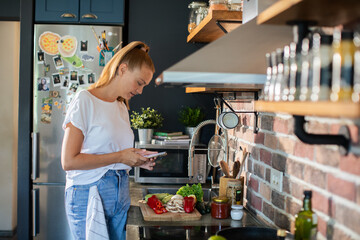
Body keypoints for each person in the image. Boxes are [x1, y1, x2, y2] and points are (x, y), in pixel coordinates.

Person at [61, 41, 157, 240]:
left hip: (119, 192)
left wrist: (137, 159)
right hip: (88, 193)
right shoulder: (85, 100)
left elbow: (115, 154)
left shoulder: (121, 106)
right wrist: (121, 156)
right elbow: (69, 161)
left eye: (144, 86)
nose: (140, 91)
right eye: (139, 82)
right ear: (122, 69)